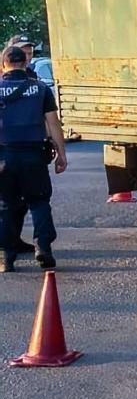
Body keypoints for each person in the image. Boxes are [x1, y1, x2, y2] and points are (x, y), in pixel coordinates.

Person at [0, 45, 67, 273]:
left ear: (4, 65)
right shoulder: (40, 89)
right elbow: (53, 123)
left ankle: (6, 258)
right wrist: (61, 154)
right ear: (25, 62)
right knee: (39, 202)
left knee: (6, 206)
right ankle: (43, 248)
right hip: (34, 156)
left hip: (4, 157)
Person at [4, 35, 44, 259]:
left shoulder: (33, 77)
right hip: (7, 149)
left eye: (30, 52)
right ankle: (6, 247)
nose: (27, 56)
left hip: (28, 147)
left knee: (20, 203)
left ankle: (14, 242)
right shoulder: (5, 76)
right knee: (8, 203)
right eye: (23, 52)